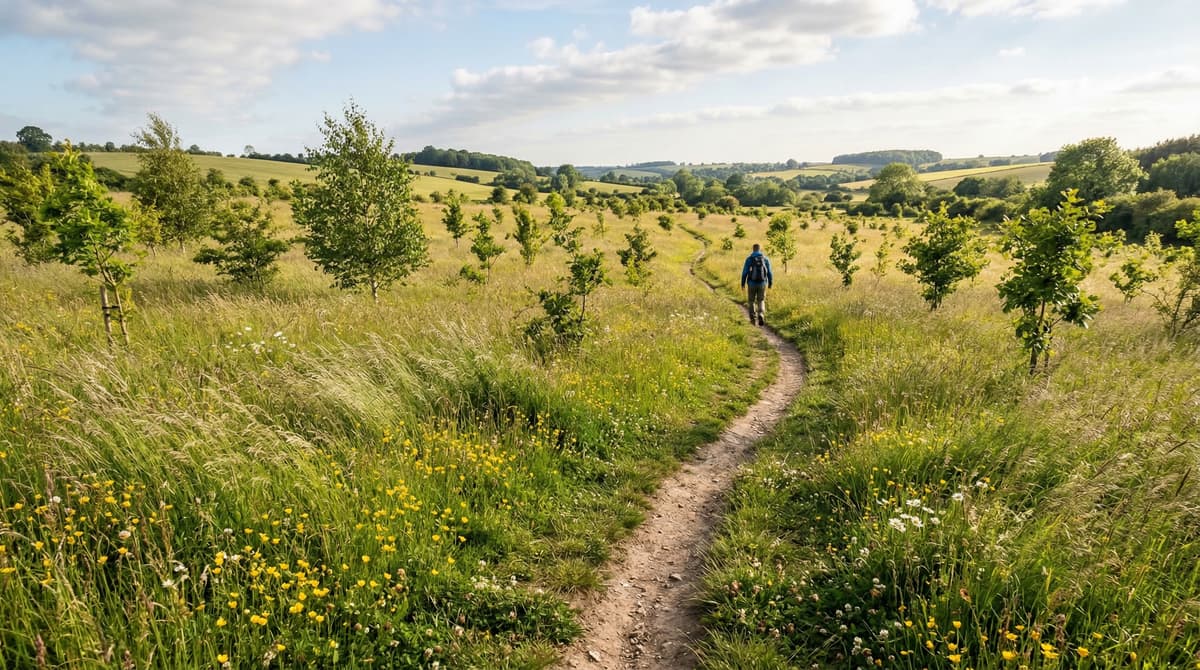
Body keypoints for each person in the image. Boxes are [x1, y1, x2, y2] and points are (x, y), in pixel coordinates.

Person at [740, 243, 773, 326]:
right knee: (761, 300)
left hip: (751, 283)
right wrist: (770, 283)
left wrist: (743, 283)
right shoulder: (765, 259)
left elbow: (745, 273)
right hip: (762, 283)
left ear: (753, 249)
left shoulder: (749, 259)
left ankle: (753, 319)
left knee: (751, 301)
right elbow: (769, 272)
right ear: (760, 249)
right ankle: (761, 314)